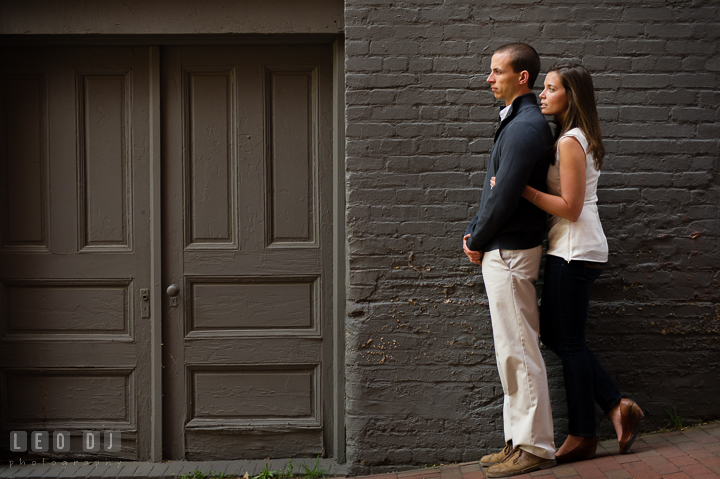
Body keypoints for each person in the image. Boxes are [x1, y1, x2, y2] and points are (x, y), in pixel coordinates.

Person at [492, 64, 644, 463]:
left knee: (568, 342)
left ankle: (582, 434)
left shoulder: (570, 142)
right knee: (560, 338)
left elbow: (571, 208)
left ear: (570, 97)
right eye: (543, 88)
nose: (542, 94)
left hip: (574, 250)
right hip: (576, 248)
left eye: (552, 89)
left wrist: (519, 188)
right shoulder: (575, 137)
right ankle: (614, 406)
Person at [463, 43, 556, 478]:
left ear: (522, 77)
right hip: (505, 248)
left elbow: (504, 195)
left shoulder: (525, 127)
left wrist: (477, 238)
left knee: (519, 350)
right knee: (510, 351)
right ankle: (518, 440)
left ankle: (535, 447)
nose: (489, 78)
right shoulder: (517, 123)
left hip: (510, 251)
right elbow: (496, 190)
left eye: (497, 71)